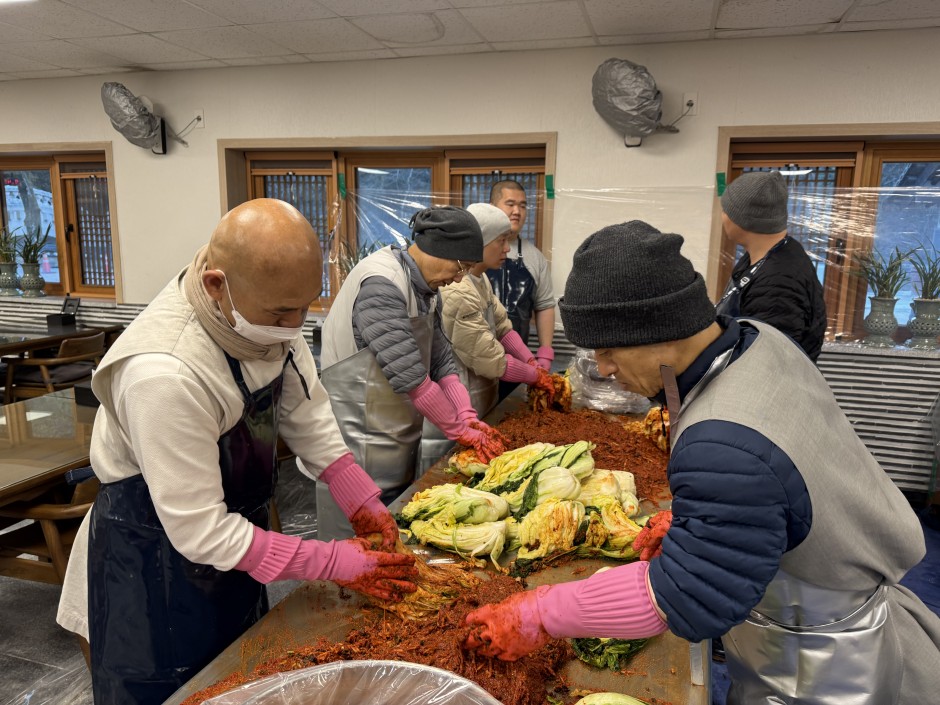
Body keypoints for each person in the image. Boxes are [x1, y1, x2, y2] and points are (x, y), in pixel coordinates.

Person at [464, 220, 940, 704]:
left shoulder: (722, 443)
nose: (603, 369)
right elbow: (785, 479)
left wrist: (539, 614)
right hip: (818, 599)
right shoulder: (759, 340)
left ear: (659, 329)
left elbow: (687, 596)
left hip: (818, 661)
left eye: (608, 351)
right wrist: (715, 522)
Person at [55, 199, 417, 705]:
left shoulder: (266, 314)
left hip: (237, 545)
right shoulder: (164, 373)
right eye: (282, 313)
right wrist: (330, 560)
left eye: (306, 306)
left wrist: (359, 497)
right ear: (215, 285)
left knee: (242, 675)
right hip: (150, 559)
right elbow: (201, 530)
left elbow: (307, 412)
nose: (295, 324)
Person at [319, 205, 505, 539]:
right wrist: (459, 431)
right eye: (460, 266)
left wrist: (467, 415)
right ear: (438, 250)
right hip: (355, 443)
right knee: (356, 546)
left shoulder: (427, 290)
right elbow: (411, 378)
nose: (460, 277)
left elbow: (442, 360)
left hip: (395, 441)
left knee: (393, 537)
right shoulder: (382, 283)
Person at [417, 204, 556, 471]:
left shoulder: (479, 280)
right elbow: (491, 360)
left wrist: (531, 361)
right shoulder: (457, 289)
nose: (507, 249)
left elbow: (502, 327)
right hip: (455, 410)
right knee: (447, 473)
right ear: (479, 242)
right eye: (501, 241)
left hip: (480, 401)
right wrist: (535, 376)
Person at [716, 170, 827, 362]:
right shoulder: (763, 257)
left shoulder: (779, 281)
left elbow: (768, 361)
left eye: (726, 210)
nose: (722, 216)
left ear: (742, 220)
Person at [485, 179, 556, 372]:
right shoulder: (475, 251)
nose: (517, 211)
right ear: (492, 207)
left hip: (518, 360)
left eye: (522, 206)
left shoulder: (535, 257)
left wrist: (545, 352)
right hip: (475, 360)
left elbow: (544, 305)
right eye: (510, 204)